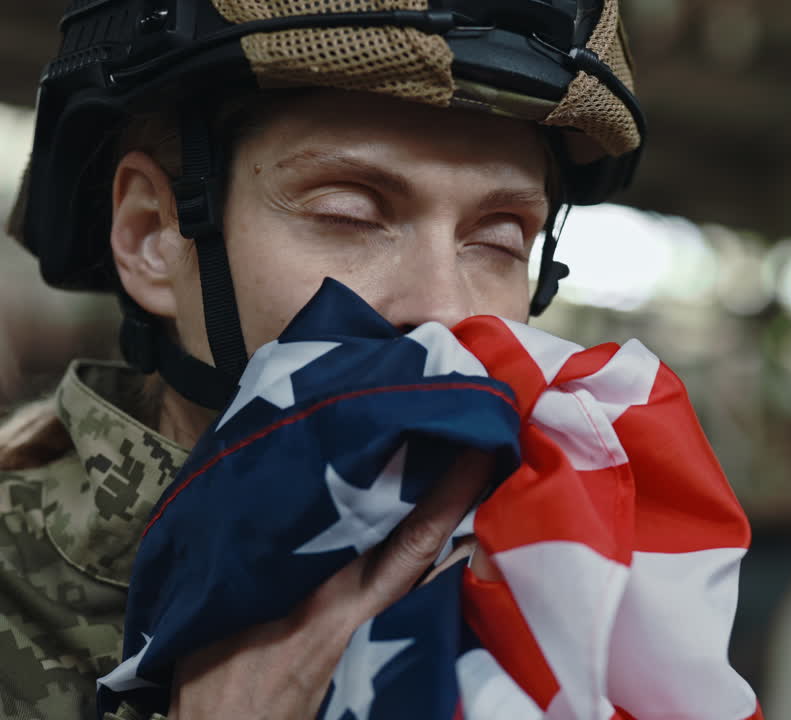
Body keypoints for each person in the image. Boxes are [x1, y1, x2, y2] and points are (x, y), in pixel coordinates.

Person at [0, 1, 685, 718]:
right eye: (351, 213)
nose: (443, 310)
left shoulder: (569, 585)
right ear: (151, 237)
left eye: (498, 237)